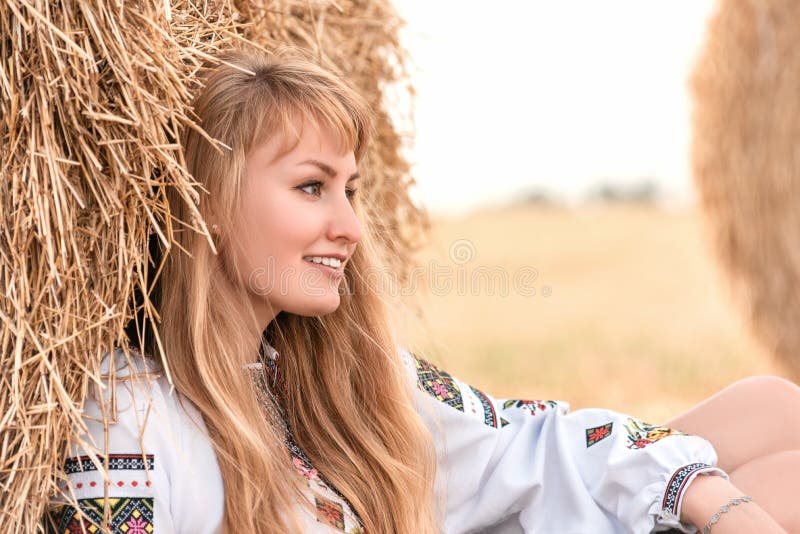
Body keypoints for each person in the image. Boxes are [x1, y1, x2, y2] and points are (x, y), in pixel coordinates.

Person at [47, 48, 798, 534]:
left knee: (772, 410)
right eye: (312, 188)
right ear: (205, 199)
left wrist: (714, 501)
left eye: (351, 191)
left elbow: (519, 439)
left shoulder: (344, 380)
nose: (349, 227)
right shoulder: (133, 423)